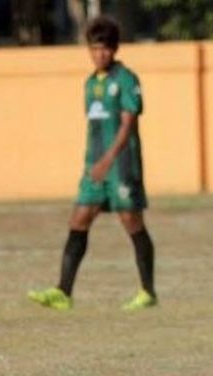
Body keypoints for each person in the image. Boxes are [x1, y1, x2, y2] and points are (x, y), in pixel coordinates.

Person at [28, 15, 156, 312]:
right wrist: (93, 163)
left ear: (114, 49)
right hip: (95, 168)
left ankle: (148, 291)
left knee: (132, 222)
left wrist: (108, 160)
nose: (100, 54)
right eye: (95, 49)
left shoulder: (125, 79)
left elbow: (128, 124)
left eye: (105, 49)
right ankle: (63, 291)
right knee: (79, 220)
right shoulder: (89, 83)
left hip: (121, 166)